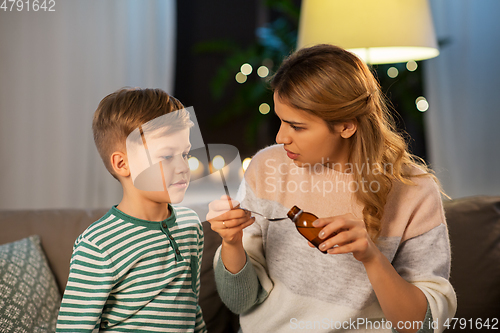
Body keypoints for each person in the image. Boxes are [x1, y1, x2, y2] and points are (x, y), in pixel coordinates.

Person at [207, 44, 456, 333]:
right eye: (280, 121)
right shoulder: (267, 167)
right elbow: (241, 301)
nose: (280, 136)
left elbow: (422, 326)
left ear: (346, 126)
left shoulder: (414, 189)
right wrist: (232, 242)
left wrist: (371, 257)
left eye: (297, 126)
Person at [56, 88, 206, 332]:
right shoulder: (98, 244)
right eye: (167, 156)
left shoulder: (191, 225)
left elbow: (191, 309)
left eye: (185, 154)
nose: (183, 167)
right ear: (122, 164)